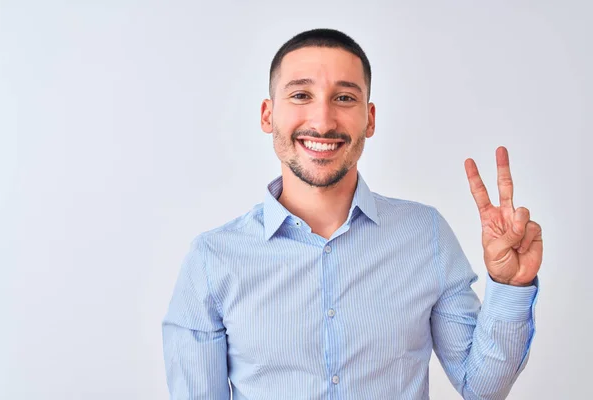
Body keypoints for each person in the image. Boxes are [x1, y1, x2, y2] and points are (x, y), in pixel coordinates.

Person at [162, 28, 542, 399]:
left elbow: (482, 388)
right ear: (268, 115)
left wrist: (510, 285)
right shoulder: (212, 260)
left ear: (370, 118)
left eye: (344, 98)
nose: (323, 121)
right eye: (300, 95)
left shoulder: (425, 234)